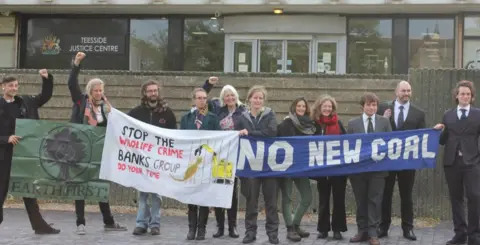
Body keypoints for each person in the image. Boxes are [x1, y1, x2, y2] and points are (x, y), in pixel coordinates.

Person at [68, 52, 127, 235]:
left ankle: (108, 221)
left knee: (100, 186)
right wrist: (76, 63)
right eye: (96, 90)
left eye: (101, 90)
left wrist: (112, 115)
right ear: (89, 91)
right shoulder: (81, 102)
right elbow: (71, 84)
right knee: (81, 185)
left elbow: (112, 127)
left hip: (100, 151)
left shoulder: (106, 107)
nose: (99, 93)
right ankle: (80, 222)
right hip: (81, 150)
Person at [0, 70, 60, 235]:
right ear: (2, 87)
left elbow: (44, 97)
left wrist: (47, 79)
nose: (13, 88)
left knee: (28, 190)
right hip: (3, 156)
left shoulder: (25, 102)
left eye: (16, 85)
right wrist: (6, 138)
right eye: (10, 85)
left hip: (23, 154)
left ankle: (39, 225)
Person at [377, 81, 425, 241]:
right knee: (385, 194)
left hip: (407, 162)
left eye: (409, 91)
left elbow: (422, 138)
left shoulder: (418, 113)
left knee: (407, 196)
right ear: (396, 92)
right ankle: (383, 227)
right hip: (387, 160)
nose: (406, 93)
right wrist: (383, 119)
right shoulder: (383, 108)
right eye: (403, 90)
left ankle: (408, 228)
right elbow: (376, 130)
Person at [433, 80, 480, 245]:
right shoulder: (448, 115)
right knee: (456, 198)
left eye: (468, 94)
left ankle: (474, 236)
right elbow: (442, 141)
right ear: (456, 96)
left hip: (472, 163)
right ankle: (460, 233)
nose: (465, 96)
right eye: (462, 94)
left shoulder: (478, 114)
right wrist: (439, 131)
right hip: (452, 163)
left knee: (474, 197)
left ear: (472, 97)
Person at [129, 79, 177, 236]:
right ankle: (141, 223)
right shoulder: (136, 112)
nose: (153, 93)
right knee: (142, 193)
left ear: (158, 92)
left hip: (159, 159)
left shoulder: (167, 113)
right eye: (150, 91)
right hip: (142, 159)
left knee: (157, 194)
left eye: (155, 90)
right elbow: (123, 125)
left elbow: (173, 136)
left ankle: (155, 224)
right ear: (144, 93)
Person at [234, 85, 279, 244]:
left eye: (260, 98)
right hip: (250, 166)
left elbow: (271, 133)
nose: (258, 100)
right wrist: (240, 133)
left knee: (271, 202)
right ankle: (250, 232)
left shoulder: (270, 114)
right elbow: (236, 135)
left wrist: (250, 134)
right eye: (255, 97)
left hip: (268, 166)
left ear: (263, 100)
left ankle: (272, 233)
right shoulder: (242, 117)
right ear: (250, 99)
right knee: (251, 201)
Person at [347, 92, 392, 245]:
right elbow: (348, 147)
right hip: (358, 170)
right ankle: (362, 231)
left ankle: (373, 233)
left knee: (375, 200)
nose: (371, 108)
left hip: (378, 170)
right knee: (361, 201)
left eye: (374, 105)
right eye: (368, 105)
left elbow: (390, 143)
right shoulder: (353, 124)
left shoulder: (384, 122)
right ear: (362, 106)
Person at [202, 77, 243, 238]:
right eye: (226, 95)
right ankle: (220, 226)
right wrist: (208, 84)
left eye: (232, 95)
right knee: (219, 189)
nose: (230, 98)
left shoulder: (243, 111)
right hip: (218, 156)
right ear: (223, 98)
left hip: (234, 155)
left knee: (232, 192)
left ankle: (233, 226)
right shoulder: (217, 109)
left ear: (236, 96)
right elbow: (201, 98)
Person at [180, 87, 221, 240]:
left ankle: (202, 229)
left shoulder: (213, 118)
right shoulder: (186, 118)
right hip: (191, 162)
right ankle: (191, 228)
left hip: (207, 162)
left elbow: (219, 138)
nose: (202, 100)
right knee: (191, 195)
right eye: (199, 98)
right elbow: (181, 138)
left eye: (204, 98)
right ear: (194, 100)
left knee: (204, 195)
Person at [277, 97, 314, 242]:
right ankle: (290, 228)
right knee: (287, 197)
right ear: (294, 107)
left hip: (301, 166)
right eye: (298, 106)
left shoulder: (310, 124)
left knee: (307, 197)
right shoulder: (287, 122)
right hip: (286, 166)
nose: (301, 108)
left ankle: (296, 224)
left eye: (303, 106)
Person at [311, 94, 347, 240]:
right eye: (325, 106)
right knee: (323, 200)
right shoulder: (314, 124)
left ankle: (337, 229)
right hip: (322, 168)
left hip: (338, 168)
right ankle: (323, 229)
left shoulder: (338, 123)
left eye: (329, 107)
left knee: (339, 199)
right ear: (319, 107)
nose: (327, 109)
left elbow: (347, 142)